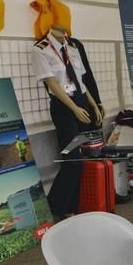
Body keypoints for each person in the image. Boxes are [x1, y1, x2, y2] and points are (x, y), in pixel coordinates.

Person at [32, 26, 102, 220]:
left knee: (75, 159)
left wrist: (93, 104)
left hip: (81, 104)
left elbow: (80, 80)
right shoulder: (40, 48)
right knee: (73, 160)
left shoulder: (72, 46)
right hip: (65, 108)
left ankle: (70, 208)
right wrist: (74, 109)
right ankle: (56, 207)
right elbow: (53, 83)